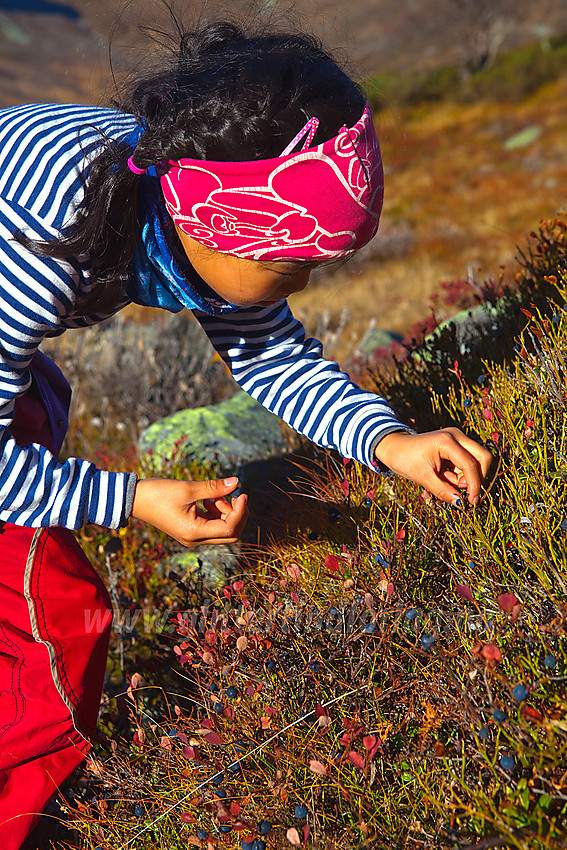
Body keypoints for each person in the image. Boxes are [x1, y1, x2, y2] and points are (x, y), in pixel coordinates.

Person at [0, 20, 492, 847]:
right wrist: (130, 497)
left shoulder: (185, 187)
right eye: (291, 262)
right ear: (218, 226)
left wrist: (387, 442)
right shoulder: (40, 239)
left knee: (31, 404)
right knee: (57, 615)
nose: (298, 279)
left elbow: (274, 361)